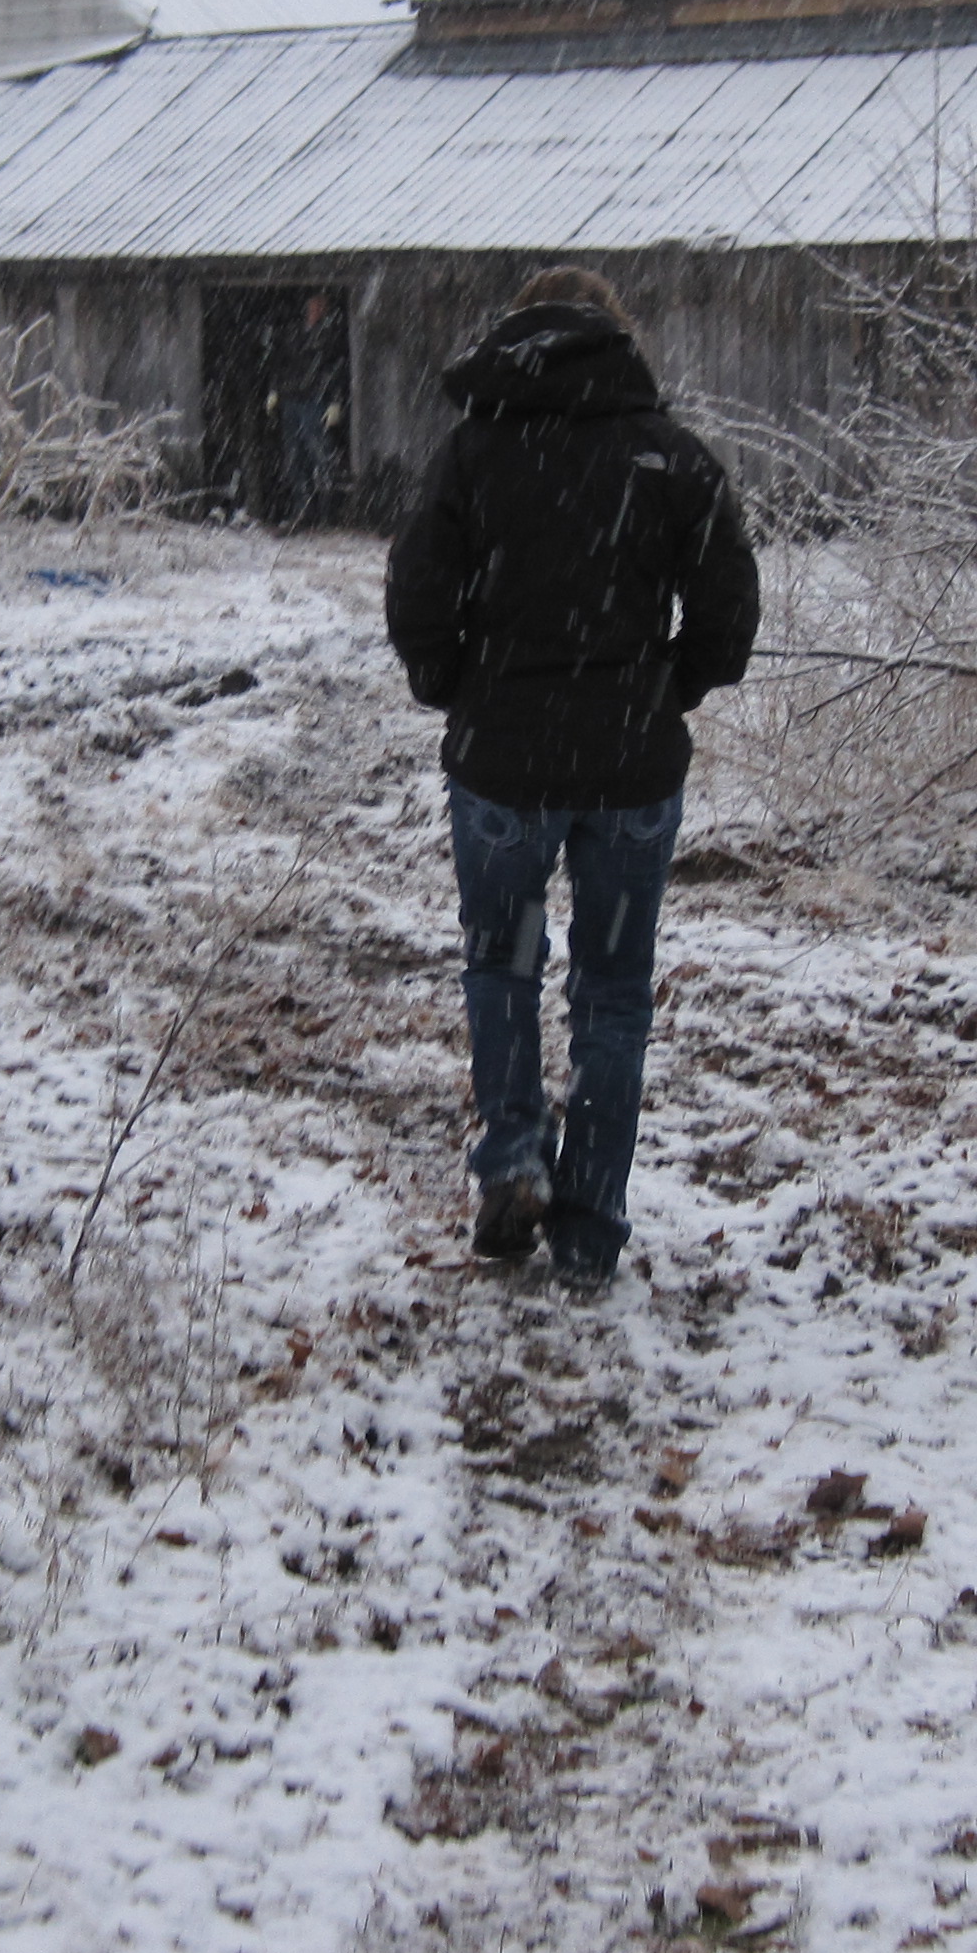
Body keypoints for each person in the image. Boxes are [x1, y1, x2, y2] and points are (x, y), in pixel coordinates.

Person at [385, 266, 763, 1294]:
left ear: (517, 339)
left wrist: (457, 685)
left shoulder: (473, 452)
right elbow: (729, 609)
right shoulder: (669, 454)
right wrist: (668, 686)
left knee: (504, 964)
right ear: (618, 337)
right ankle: (591, 1224)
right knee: (613, 992)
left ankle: (514, 1155)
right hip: (630, 773)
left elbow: (416, 593)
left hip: (504, 772)